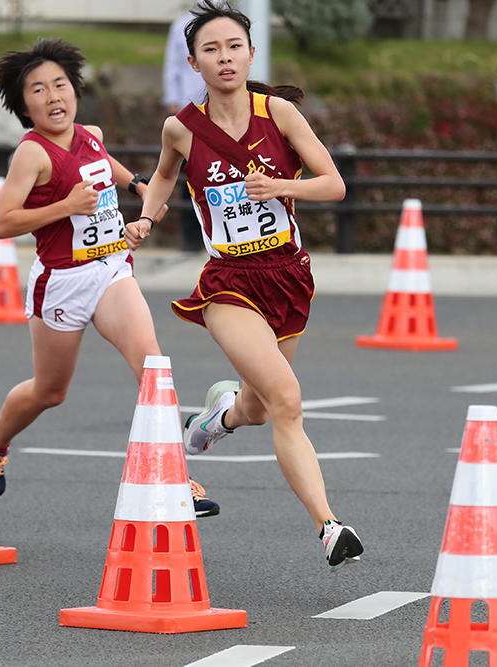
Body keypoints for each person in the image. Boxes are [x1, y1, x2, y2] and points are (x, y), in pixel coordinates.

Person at [125, 0, 364, 569]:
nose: (224, 57)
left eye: (234, 46)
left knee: (259, 408)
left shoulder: (278, 113)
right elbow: (162, 177)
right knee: (287, 399)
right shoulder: (181, 128)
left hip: (287, 275)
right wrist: (147, 218)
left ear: (251, 53)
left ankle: (217, 419)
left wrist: (283, 186)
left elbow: (333, 185)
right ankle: (330, 527)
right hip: (227, 283)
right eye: (211, 49)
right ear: (193, 62)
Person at [0, 38, 219, 518]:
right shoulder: (32, 155)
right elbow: (1, 224)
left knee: (153, 366)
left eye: (60, 84)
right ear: (23, 105)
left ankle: (177, 478)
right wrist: (65, 207)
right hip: (61, 281)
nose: (53, 96)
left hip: (110, 268)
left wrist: (137, 185)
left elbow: (101, 164)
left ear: (75, 89)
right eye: (39, 90)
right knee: (51, 391)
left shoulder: (90, 134)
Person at [162, 7, 206, 252]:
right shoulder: (181, 25)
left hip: (223, 110)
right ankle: (192, 240)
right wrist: (173, 101)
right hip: (190, 110)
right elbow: (173, 66)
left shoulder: (229, 21)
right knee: (188, 174)